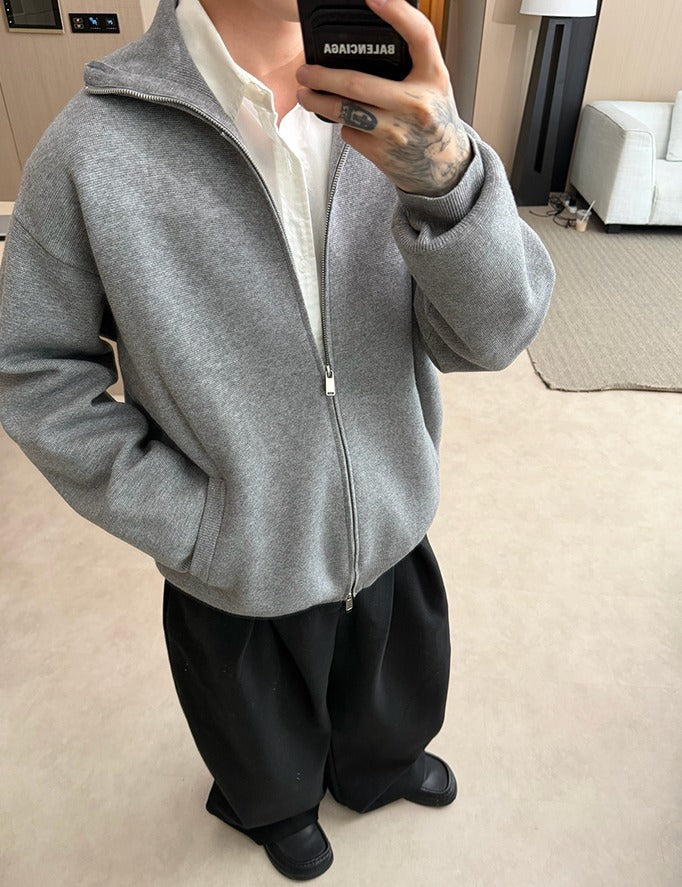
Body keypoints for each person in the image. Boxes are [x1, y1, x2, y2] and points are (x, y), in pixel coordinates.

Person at [0, 0, 556, 879]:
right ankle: (278, 807)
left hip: (388, 523)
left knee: (394, 690)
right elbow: (31, 368)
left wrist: (447, 177)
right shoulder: (92, 149)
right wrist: (191, 520)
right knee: (257, 736)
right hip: (233, 559)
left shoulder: (408, 108)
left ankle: (379, 768)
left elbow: (494, 335)